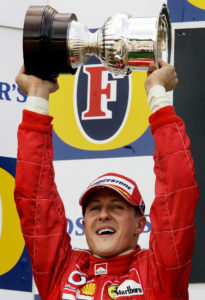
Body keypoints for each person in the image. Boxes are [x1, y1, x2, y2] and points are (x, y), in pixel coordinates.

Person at [15, 60, 199, 300]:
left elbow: (178, 191)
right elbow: (34, 198)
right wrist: (38, 94)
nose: (103, 215)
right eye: (94, 208)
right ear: (83, 224)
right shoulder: (63, 271)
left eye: (116, 206)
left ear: (140, 225)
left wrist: (157, 94)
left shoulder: (158, 274)